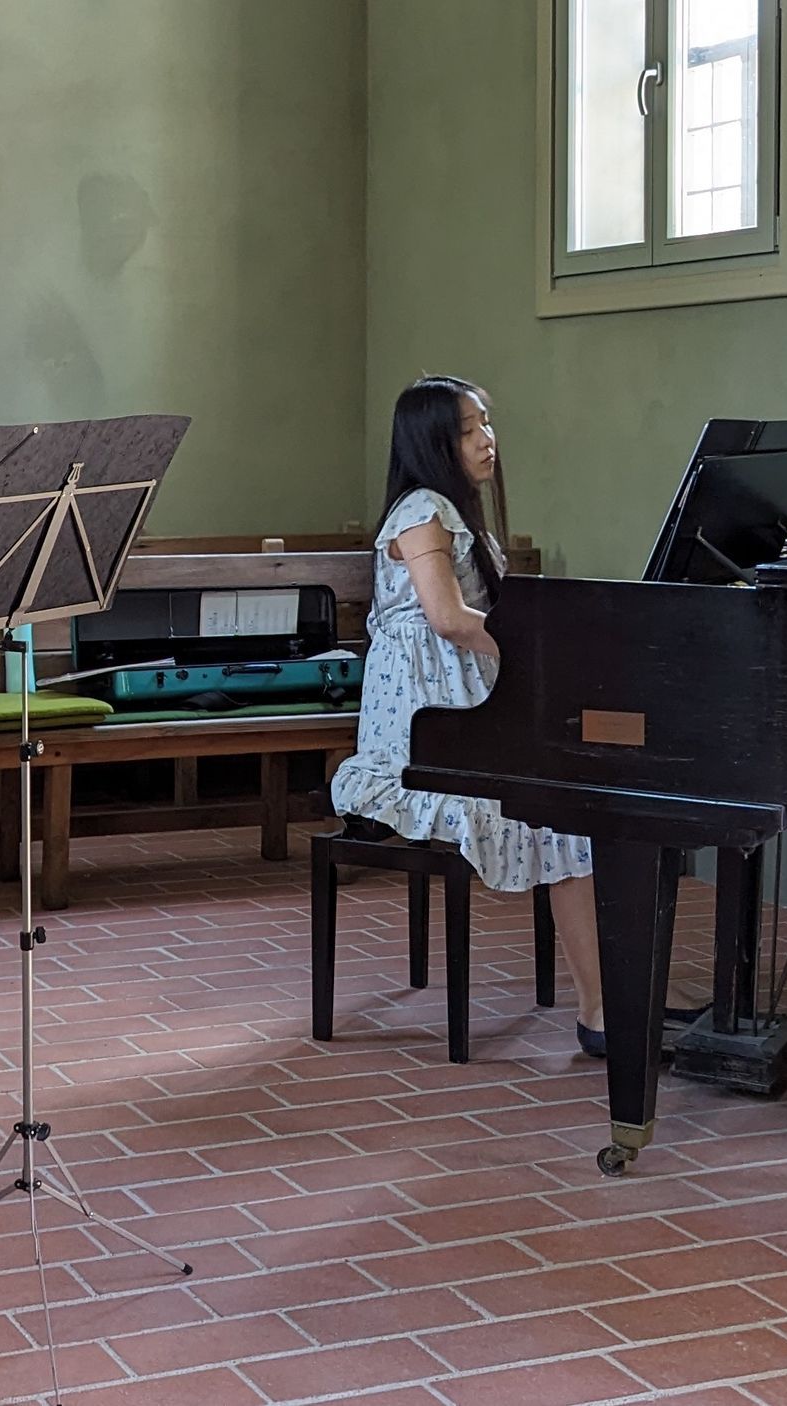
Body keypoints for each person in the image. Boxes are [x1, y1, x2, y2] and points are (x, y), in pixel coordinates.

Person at [329, 376, 610, 1056]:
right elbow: (448, 619)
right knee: (570, 825)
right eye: (468, 429)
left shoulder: (457, 513)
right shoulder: (421, 512)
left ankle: (604, 1002)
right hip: (425, 735)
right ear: (433, 441)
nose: (488, 441)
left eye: (487, 424)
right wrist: (542, 654)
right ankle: (602, 1007)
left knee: (576, 819)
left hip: (465, 713)